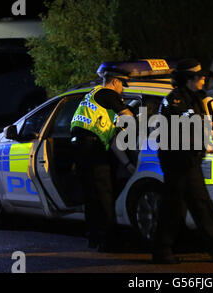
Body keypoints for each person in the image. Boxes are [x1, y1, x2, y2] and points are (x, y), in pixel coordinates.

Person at [152, 59, 213, 264]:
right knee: (176, 206)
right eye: (199, 76)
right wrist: (200, 143)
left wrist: (209, 129)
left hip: (189, 161)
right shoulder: (175, 101)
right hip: (177, 161)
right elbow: (176, 133)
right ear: (188, 79)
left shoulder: (194, 98)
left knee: (198, 204)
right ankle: (164, 251)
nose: (203, 79)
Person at [70, 68, 134, 251]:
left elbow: (111, 137)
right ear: (114, 82)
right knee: (104, 195)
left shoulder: (93, 97)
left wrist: (127, 163)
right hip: (92, 150)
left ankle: (94, 237)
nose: (122, 89)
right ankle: (109, 242)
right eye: (122, 84)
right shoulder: (106, 93)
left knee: (91, 196)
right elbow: (128, 117)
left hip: (81, 148)